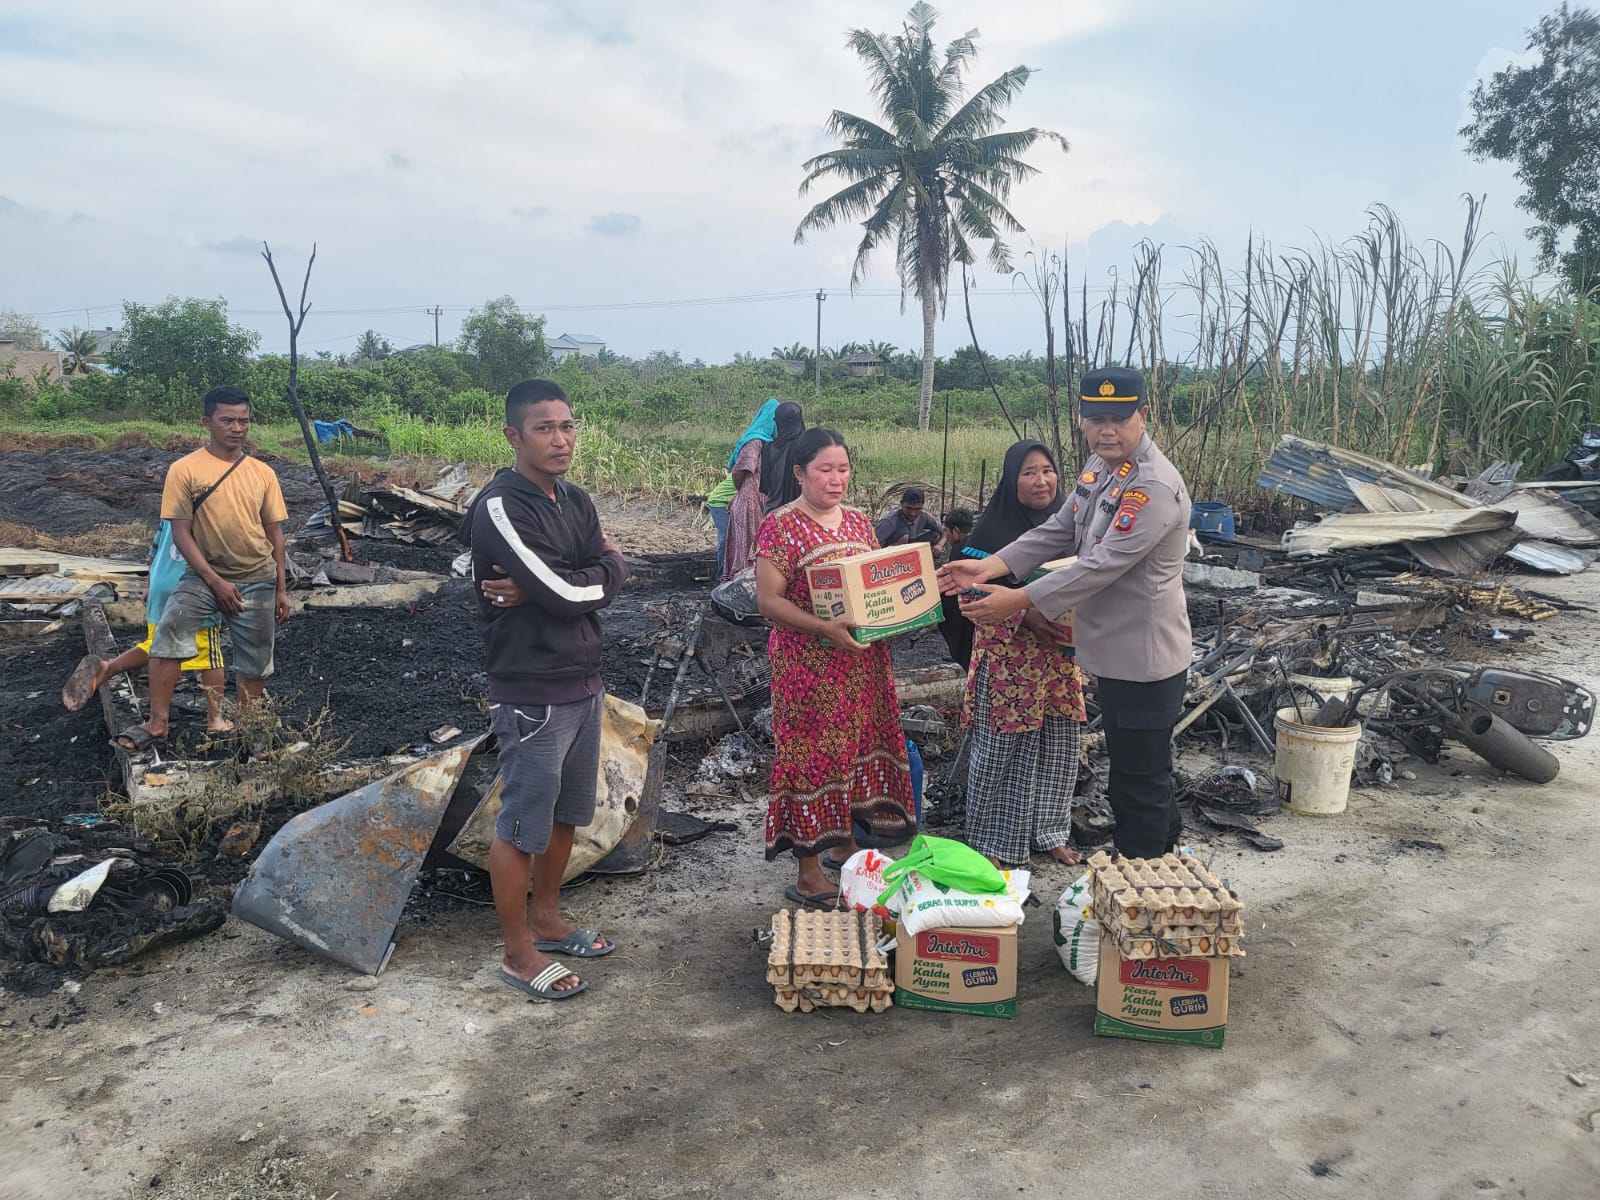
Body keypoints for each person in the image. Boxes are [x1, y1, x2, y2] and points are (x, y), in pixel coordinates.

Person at [939, 367, 1192, 860]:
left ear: (1143, 415)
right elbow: (1059, 529)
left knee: (1137, 781)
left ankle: (1140, 887)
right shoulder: (1100, 470)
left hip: (1145, 658)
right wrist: (988, 566)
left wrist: (1014, 599)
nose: (1107, 430)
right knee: (1141, 768)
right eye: (1096, 419)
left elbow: (1101, 565)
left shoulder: (1153, 486)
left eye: (1119, 419)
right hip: (1116, 654)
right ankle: (1165, 862)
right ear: (1081, 419)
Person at [468, 378, 628, 1001]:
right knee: (521, 827)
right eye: (544, 428)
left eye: (567, 426)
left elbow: (608, 570)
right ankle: (517, 952)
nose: (560, 439)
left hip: (583, 682)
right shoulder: (500, 508)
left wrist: (593, 574)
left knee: (568, 815)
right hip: (531, 689)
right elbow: (569, 595)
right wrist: (577, 581)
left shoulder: (574, 499)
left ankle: (547, 918)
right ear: (513, 435)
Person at [755, 427, 916, 908]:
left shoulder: (859, 523)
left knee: (851, 748)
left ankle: (843, 843)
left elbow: (873, 586)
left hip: (859, 665)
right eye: (825, 470)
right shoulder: (780, 526)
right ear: (801, 472)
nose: (836, 479)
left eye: (842, 469)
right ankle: (807, 872)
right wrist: (822, 628)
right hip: (807, 667)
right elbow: (768, 601)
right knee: (809, 759)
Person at [112, 386, 290, 751]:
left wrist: (282, 590)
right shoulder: (185, 470)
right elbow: (180, 532)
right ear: (207, 422)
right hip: (203, 578)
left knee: (255, 660)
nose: (237, 428)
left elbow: (276, 535)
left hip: (257, 578)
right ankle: (157, 723)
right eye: (227, 420)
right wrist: (215, 581)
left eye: (243, 420)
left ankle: (249, 732)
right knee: (167, 638)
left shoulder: (263, 473)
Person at [957, 440, 1086, 868]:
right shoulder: (988, 535)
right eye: (1029, 472)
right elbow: (967, 596)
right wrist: (1025, 613)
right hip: (1010, 658)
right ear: (1012, 480)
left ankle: (1049, 831)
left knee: (1059, 743)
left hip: (1057, 657)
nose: (1041, 480)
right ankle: (993, 842)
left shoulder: (1069, 527)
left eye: (1047, 470)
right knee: (1002, 749)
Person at [62, 520, 230, 732]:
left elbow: (155, 549)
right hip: (190, 585)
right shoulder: (209, 506)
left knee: (158, 646)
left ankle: (110, 668)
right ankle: (215, 720)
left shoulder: (171, 506)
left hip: (161, 583)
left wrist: (150, 583)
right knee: (210, 656)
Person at [721, 399, 805, 580]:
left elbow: (768, 483)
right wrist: (743, 492)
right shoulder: (758, 442)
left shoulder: (773, 445)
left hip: (768, 503)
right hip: (756, 501)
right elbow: (740, 471)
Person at [935, 508, 975, 667]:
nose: (947, 536)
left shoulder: (960, 548)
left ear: (956, 530)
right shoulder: (976, 542)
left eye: (947, 531)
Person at [874, 487, 941, 548]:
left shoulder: (924, 516)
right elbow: (873, 544)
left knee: (936, 535)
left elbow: (944, 531)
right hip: (890, 551)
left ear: (922, 506)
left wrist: (940, 545)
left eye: (917, 509)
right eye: (909, 508)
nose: (913, 513)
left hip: (911, 545)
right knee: (904, 536)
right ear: (901, 504)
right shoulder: (889, 520)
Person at [705, 472, 736, 578]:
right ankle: (722, 574)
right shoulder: (745, 468)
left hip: (730, 503)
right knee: (726, 537)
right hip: (719, 501)